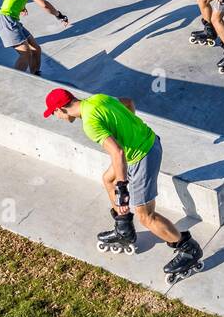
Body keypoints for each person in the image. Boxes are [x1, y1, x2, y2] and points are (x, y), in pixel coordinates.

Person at [45, 89, 203, 284]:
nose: (56, 117)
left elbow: (118, 153)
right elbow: (128, 102)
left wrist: (122, 189)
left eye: (54, 113)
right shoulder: (98, 98)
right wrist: (129, 132)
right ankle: (124, 230)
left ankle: (188, 249)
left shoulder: (90, 124)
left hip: (142, 156)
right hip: (148, 140)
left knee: (146, 216)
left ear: (62, 109)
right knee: (107, 179)